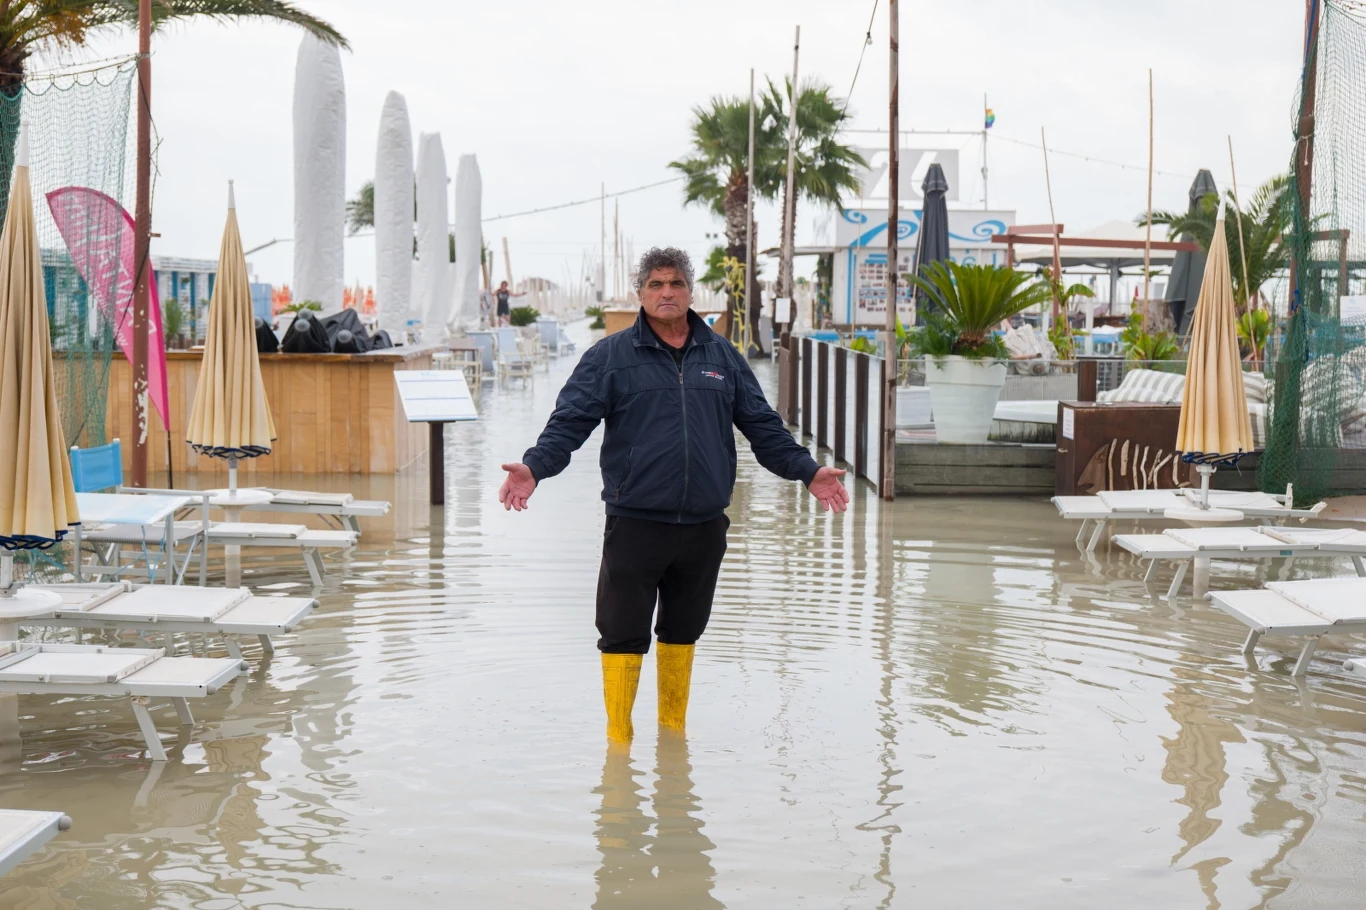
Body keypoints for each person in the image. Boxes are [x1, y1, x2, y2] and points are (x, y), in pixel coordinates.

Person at [499, 247, 848, 743]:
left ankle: (672, 740)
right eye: (656, 284)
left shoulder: (722, 356)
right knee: (621, 634)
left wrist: (808, 471)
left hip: (704, 525)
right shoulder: (610, 357)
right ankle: (618, 745)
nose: (667, 292)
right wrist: (534, 468)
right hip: (636, 521)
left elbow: (763, 427)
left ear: (690, 292)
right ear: (640, 293)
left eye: (677, 283)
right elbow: (569, 424)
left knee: (684, 631)